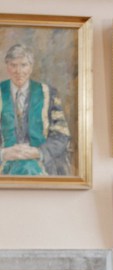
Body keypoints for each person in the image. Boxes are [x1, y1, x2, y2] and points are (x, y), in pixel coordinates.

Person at [0, 43, 71, 176]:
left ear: (31, 67)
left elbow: (61, 135)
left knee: (28, 168)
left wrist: (39, 152)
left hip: (40, 163)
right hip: (4, 163)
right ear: (7, 67)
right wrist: (3, 153)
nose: (18, 71)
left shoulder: (48, 93)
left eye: (23, 65)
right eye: (13, 65)